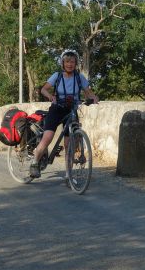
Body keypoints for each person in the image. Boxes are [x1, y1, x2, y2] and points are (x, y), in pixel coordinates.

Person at [31, 49, 99, 178]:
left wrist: (94, 98)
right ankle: (35, 163)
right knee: (48, 138)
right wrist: (51, 97)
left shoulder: (79, 78)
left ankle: (68, 173)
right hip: (57, 109)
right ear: (63, 63)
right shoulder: (57, 76)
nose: (70, 64)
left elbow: (88, 91)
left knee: (69, 143)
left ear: (76, 63)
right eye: (67, 61)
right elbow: (44, 89)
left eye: (72, 62)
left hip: (72, 109)